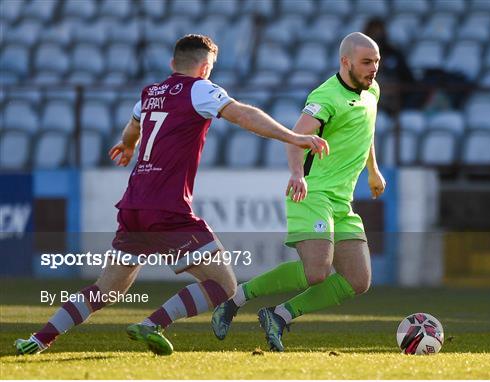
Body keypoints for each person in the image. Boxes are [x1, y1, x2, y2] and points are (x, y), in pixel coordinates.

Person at [14, 34, 328, 356]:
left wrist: (128, 146)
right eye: (211, 68)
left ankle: (39, 339)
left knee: (105, 289)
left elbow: (132, 128)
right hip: (167, 209)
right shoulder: (200, 90)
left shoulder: (149, 95)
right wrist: (294, 136)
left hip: (133, 205)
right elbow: (245, 116)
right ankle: (153, 324)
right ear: (205, 68)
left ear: (171, 64)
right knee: (224, 286)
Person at [211, 32, 386, 352]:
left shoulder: (371, 89)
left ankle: (279, 315)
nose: (373, 68)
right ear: (345, 62)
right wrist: (297, 175)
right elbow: (296, 136)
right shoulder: (326, 97)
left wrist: (373, 170)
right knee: (317, 271)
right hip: (312, 192)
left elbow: (367, 129)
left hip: (341, 200)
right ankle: (235, 299)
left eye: (376, 61)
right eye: (366, 62)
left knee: (357, 280)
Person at [363, 18, 415, 112]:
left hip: (393, 99)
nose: (377, 37)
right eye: (373, 34)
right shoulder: (358, 56)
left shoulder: (393, 54)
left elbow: (407, 78)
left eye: (379, 34)